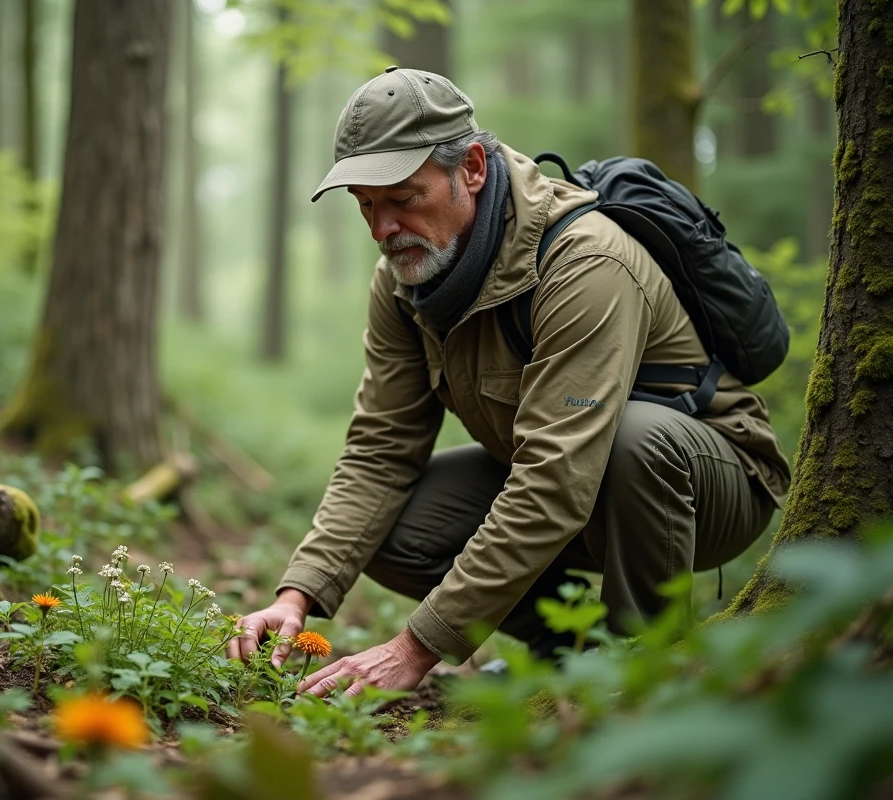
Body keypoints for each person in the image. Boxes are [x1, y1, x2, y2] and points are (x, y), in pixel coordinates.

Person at [225, 67, 791, 698]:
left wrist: (417, 647)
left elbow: (554, 477)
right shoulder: (403, 282)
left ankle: (646, 663)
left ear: (471, 168)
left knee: (637, 437)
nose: (383, 229)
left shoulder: (584, 261)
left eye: (403, 199)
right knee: (393, 529)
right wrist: (298, 595)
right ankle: (570, 649)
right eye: (366, 205)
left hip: (708, 480)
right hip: (570, 485)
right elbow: (380, 450)